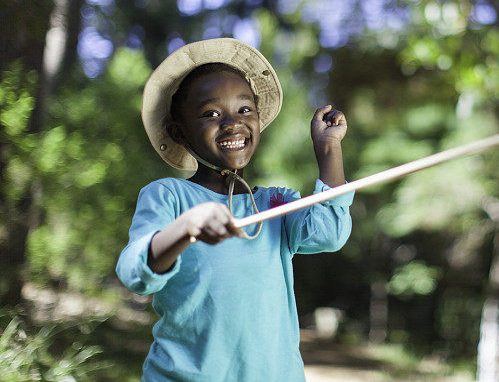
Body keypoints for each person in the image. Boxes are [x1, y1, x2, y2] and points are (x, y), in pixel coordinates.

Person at [116, 38, 353, 381]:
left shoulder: (277, 203)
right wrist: (186, 228)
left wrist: (329, 148)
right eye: (211, 113)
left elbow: (330, 232)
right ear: (177, 132)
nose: (232, 123)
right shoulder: (168, 195)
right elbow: (133, 272)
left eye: (245, 110)